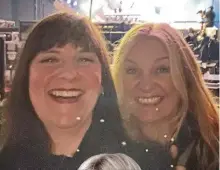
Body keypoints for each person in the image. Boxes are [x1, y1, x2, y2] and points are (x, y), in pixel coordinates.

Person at [0, 12, 128, 169]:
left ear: (102, 78)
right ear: (26, 76)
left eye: (84, 59)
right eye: (50, 59)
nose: (68, 74)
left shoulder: (141, 160)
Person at [112, 23, 219, 170]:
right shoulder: (100, 148)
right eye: (132, 70)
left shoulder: (214, 149)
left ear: (185, 76)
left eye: (162, 69)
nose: (146, 85)